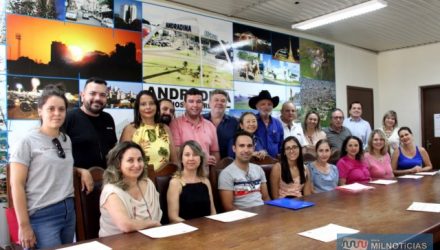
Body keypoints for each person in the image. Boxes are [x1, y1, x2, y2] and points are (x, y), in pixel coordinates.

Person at [10, 84, 92, 249]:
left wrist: (81, 170)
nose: (57, 113)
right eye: (51, 109)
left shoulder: (66, 139)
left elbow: (58, 167)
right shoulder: (26, 141)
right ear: (40, 111)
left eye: (61, 109)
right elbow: (16, 185)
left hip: (69, 211)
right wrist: (24, 225)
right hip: (42, 215)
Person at [99, 141, 162, 237]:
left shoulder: (148, 184)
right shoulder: (111, 191)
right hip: (117, 244)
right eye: (130, 160)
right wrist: (152, 224)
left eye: (139, 160)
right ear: (118, 164)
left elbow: (157, 217)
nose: (137, 165)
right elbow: (125, 225)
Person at [64, 77, 117, 169]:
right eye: (92, 93)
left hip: (106, 178)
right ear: (82, 95)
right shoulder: (69, 118)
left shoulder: (108, 119)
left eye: (102, 95)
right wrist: (78, 170)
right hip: (76, 180)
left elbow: (113, 148)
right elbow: (57, 156)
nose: (97, 98)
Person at [120, 90, 177, 171]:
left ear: (156, 106)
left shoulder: (165, 128)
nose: (148, 107)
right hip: (138, 180)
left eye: (151, 103)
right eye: (143, 104)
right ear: (138, 108)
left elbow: (175, 161)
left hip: (164, 180)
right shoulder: (130, 129)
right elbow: (122, 160)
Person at [170, 88, 220, 173]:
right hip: (183, 177)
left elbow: (215, 153)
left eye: (198, 102)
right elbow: (176, 153)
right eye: (191, 101)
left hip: (205, 177)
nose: (195, 105)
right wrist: (202, 159)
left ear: (202, 104)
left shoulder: (210, 126)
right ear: (184, 104)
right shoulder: (175, 124)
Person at [219, 131, 270, 211]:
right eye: (241, 146)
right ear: (234, 148)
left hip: (262, 215)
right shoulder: (226, 174)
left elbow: (266, 198)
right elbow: (228, 207)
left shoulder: (258, 169)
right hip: (241, 219)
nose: (246, 150)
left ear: (253, 148)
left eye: (249, 146)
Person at [167, 140, 216, 223]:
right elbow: (173, 217)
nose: (191, 158)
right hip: (186, 230)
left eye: (195, 154)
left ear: (200, 158)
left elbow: (213, 212)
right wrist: (194, 228)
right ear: (181, 159)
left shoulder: (206, 181)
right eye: (187, 155)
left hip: (208, 229)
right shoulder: (175, 183)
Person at [203, 90, 238, 159]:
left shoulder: (234, 122)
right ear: (209, 103)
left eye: (223, 101)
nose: (219, 103)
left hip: (228, 165)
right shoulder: (201, 120)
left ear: (226, 104)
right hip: (203, 164)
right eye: (216, 100)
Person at [249, 90, 284, 158]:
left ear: (272, 106)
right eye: (263, 104)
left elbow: (281, 144)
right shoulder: (251, 122)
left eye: (269, 104)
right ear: (257, 106)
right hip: (255, 162)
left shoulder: (277, 123)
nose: (266, 107)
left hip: (275, 162)